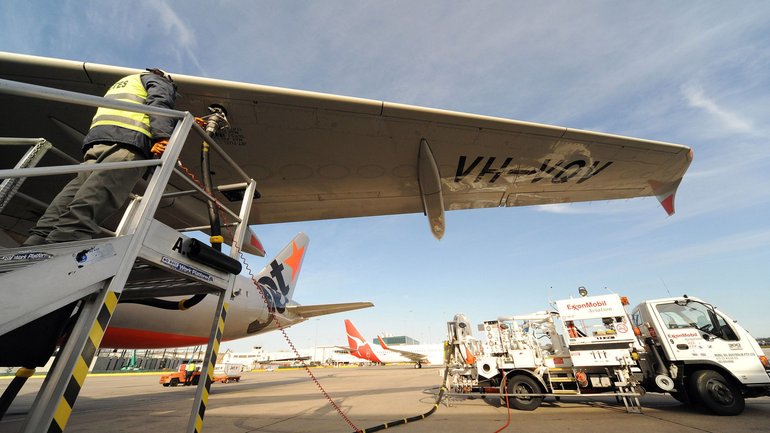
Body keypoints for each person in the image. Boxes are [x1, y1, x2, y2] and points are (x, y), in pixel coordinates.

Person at [23, 68, 178, 246]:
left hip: (99, 140)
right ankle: (69, 236)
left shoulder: (126, 81)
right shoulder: (159, 81)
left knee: (77, 189)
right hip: (130, 139)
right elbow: (159, 103)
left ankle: (39, 237)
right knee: (102, 190)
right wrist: (162, 136)